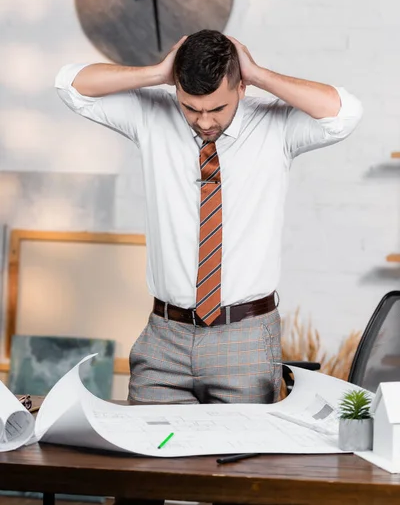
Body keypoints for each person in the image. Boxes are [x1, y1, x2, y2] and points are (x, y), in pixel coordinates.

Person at [55, 29, 362, 407]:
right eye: (190, 108)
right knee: (146, 460)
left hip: (245, 340)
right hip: (164, 337)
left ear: (241, 88)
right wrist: (157, 73)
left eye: (217, 108)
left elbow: (344, 114)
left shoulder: (275, 126)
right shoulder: (152, 116)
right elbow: (70, 85)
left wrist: (258, 72)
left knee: (236, 463)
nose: (203, 122)